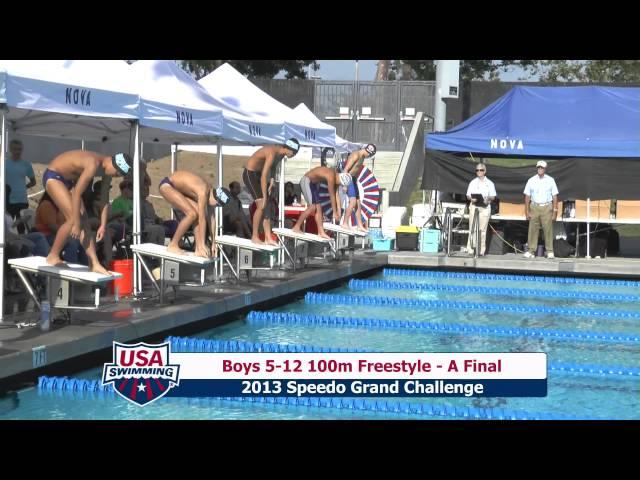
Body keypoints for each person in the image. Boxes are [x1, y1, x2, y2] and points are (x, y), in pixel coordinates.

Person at [42, 150, 133, 274]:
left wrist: (102, 225)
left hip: (68, 181)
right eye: (117, 173)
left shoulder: (107, 171)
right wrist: (77, 224)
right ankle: (53, 256)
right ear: (113, 163)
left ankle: (94, 264)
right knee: (73, 219)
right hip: (54, 176)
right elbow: (77, 194)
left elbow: (104, 200)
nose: (115, 176)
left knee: (85, 222)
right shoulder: (93, 164)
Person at [158, 170, 230, 258]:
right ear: (216, 200)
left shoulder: (210, 192)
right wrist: (203, 244)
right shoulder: (203, 192)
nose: (215, 207)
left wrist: (214, 243)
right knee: (192, 214)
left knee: (196, 212)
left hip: (177, 189)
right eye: (217, 205)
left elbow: (212, 219)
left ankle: (198, 249)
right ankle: (173, 244)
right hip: (167, 186)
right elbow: (202, 219)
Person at [242, 138, 300, 245]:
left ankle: (268, 238)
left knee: (267, 207)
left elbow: (273, 167)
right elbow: (264, 176)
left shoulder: (281, 154)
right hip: (250, 174)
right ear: (290, 149)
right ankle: (254, 236)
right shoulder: (272, 152)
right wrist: (264, 195)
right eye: (295, 153)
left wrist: (272, 179)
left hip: (258, 175)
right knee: (261, 205)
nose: (294, 155)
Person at [292, 167, 351, 239]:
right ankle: (296, 226)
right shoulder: (331, 177)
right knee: (313, 207)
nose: (340, 186)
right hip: (306, 180)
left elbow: (336, 195)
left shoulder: (337, 178)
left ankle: (321, 232)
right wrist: (334, 212)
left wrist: (338, 212)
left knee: (319, 208)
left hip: (313, 184)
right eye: (341, 185)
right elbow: (332, 195)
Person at [35, 191, 88, 265]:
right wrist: (69, 234)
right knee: (72, 242)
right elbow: (52, 227)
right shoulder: (46, 205)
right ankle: (72, 264)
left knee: (82, 241)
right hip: (46, 235)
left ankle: (85, 265)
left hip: (56, 234)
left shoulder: (59, 208)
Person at [523, 160, 559, 259]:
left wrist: (555, 211)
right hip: (534, 206)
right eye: (538, 167)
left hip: (547, 206)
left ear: (545, 169)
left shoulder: (551, 180)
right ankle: (531, 251)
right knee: (532, 229)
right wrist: (527, 211)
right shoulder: (531, 180)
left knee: (547, 229)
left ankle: (550, 251)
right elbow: (527, 196)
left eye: (542, 168)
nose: (540, 169)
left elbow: (555, 196)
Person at [341, 144, 376, 232]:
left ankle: (359, 225)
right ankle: (345, 223)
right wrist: (345, 184)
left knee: (358, 203)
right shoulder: (356, 155)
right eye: (370, 155)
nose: (369, 157)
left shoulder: (362, 156)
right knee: (353, 202)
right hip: (348, 178)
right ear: (368, 152)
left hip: (353, 180)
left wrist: (355, 181)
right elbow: (345, 169)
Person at [465, 163, 496, 256]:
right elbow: (468, 195)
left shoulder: (490, 183)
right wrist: (471, 198)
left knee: (482, 230)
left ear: (485, 171)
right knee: (472, 228)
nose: (479, 172)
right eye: (477, 170)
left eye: (481, 170)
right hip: (474, 206)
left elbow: (493, 196)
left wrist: (488, 199)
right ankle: (470, 249)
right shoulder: (473, 182)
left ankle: (481, 250)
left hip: (485, 207)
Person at [5, 140, 36, 232]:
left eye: (19, 149)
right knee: (6, 226)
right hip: (8, 201)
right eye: (15, 149)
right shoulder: (4, 163)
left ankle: (22, 246)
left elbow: (33, 182)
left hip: (22, 200)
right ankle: (7, 246)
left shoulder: (26, 165)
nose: (17, 152)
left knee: (21, 228)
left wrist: (24, 187)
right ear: (10, 149)